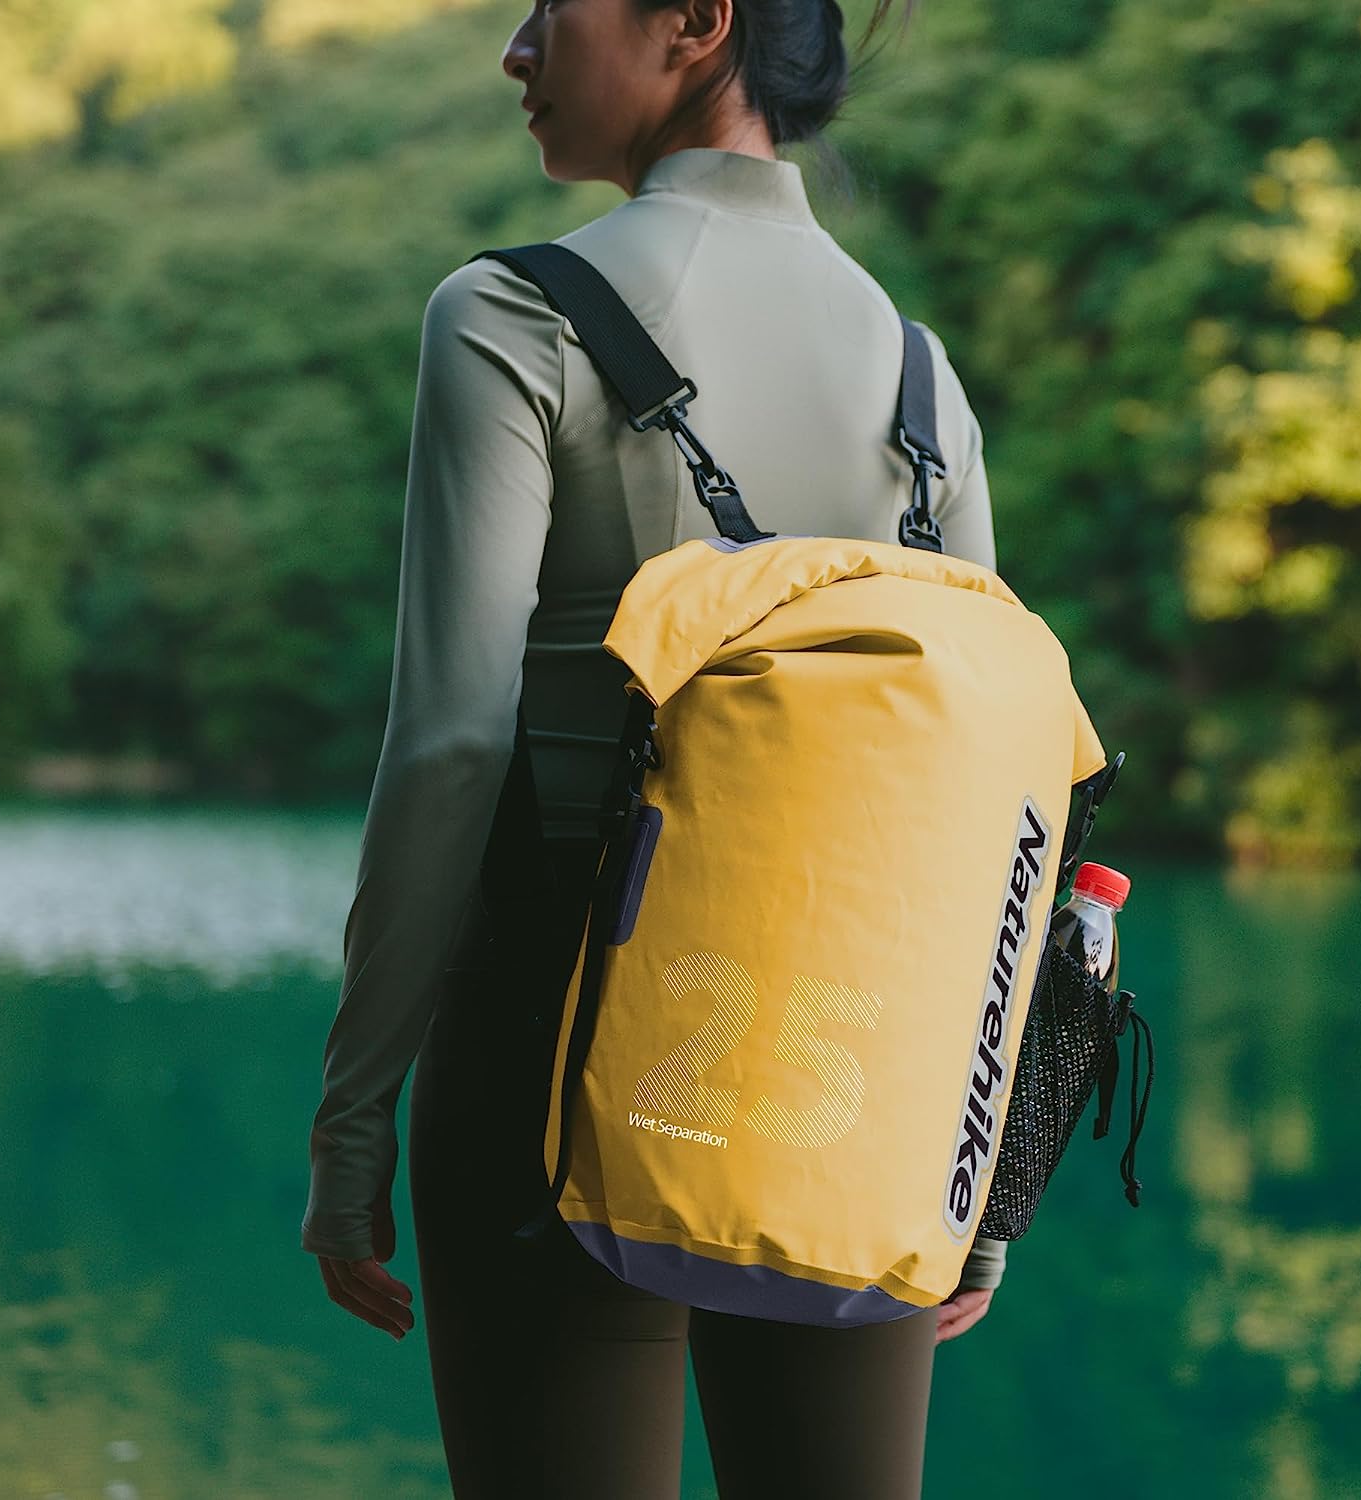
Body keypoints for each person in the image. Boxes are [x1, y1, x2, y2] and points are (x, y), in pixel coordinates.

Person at [301, 0, 1007, 1493]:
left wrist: (353, 1118)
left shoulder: (513, 313)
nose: (514, 51)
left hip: (556, 1041)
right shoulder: (923, 380)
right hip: (857, 1062)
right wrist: (982, 1171)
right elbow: (990, 799)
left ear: (696, 21)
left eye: (550, 13)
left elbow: (448, 748)